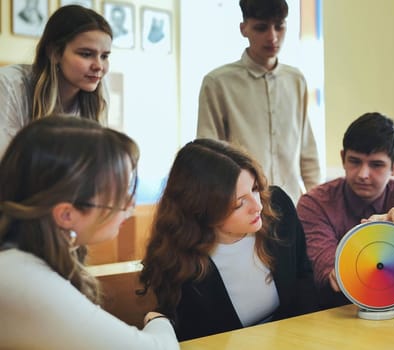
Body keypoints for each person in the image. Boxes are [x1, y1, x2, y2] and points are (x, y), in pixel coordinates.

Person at [0, 116, 179, 349]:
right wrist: (160, 320)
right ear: (66, 215)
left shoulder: (19, 261)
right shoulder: (22, 278)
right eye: (120, 195)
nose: (131, 205)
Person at [139, 138, 317, 341]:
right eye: (240, 203)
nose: (257, 206)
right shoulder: (177, 262)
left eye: (255, 188)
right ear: (202, 211)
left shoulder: (278, 208)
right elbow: (197, 338)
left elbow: (304, 280)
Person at [296, 112, 394, 308]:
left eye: (376, 165)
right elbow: (326, 268)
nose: (363, 174)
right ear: (343, 158)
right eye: (355, 161)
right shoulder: (314, 203)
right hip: (333, 313)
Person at [196, 0, 320, 203]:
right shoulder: (218, 83)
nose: (272, 37)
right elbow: (208, 158)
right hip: (241, 205)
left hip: (292, 204)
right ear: (243, 29)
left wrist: (317, 204)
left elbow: (308, 154)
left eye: (279, 27)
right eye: (261, 28)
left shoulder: (296, 80)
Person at [0, 5, 112, 156]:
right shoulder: (9, 84)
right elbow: (6, 165)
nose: (99, 66)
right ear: (54, 53)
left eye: (104, 56)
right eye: (86, 54)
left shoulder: (98, 88)